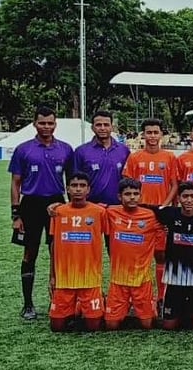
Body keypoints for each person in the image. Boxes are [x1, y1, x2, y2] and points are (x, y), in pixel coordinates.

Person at [9, 106, 75, 321]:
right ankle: (28, 304)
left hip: (57, 205)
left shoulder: (65, 149)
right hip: (31, 205)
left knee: (58, 254)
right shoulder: (23, 149)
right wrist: (16, 215)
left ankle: (57, 302)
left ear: (55, 124)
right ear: (34, 124)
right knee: (30, 253)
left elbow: (73, 182)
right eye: (42, 123)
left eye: (50, 123)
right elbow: (15, 183)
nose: (46, 127)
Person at [121, 118, 182, 304]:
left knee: (161, 254)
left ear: (161, 135)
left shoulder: (170, 157)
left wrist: (165, 205)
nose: (152, 136)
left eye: (156, 132)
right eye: (149, 132)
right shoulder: (135, 157)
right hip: (140, 211)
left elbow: (174, 185)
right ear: (143, 135)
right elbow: (127, 184)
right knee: (137, 254)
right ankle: (136, 295)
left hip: (162, 211)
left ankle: (162, 296)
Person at [47, 172, 106, 332]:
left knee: (94, 326)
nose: (78, 189)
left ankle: (85, 304)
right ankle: (76, 306)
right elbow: (53, 245)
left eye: (82, 186)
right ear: (67, 189)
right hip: (64, 279)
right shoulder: (58, 212)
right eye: (74, 186)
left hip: (90, 279)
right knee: (57, 327)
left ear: (88, 190)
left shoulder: (99, 212)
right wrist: (52, 276)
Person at [152, 182, 193, 331]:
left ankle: (188, 309)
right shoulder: (169, 214)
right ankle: (179, 308)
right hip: (175, 279)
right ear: (178, 198)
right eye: (185, 196)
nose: (189, 200)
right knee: (168, 326)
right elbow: (144, 207)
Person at [102, 178, 160, 330]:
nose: (132, 197)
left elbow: (177, 213)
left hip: (142, 280)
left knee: (147, 325)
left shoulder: (152, 215)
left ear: (141, 196)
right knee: (111, 325)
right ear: (119, 197)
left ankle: (152, 304)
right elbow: (87, 209)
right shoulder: (110, 212)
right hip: (118, 281)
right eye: (127, 194)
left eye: (136, 194)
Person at [74, 110, 130, 207]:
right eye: (98, 125)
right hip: (91, 207)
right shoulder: (81, 151)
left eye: (106, 125)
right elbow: (75, 182)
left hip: (118, 207)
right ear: (92, 128)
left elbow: (129, 180)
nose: (102, 128)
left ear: (112, 127)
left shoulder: (124, 150)